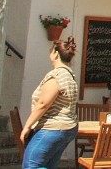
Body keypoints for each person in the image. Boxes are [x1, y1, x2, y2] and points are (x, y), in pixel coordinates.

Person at [21, 38, 79, 169]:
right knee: (47, 165)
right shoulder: (70, 75)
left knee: (31, 165)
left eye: (50, 52)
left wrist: (28, 126)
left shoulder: (57, 75)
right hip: (67, 127)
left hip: (52, 127)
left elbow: (43, 103)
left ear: (56, 54)